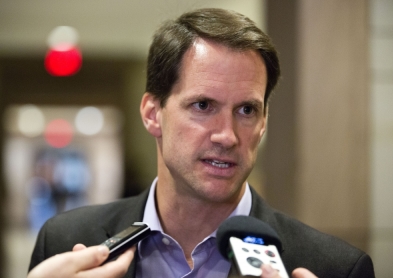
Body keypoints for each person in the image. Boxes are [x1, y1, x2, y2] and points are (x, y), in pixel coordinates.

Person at [28, 8, 375, 278]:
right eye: (203, 106)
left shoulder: (335, 268)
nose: (227, 135)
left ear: (264, 121)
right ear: (152, 113)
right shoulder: (67, 243)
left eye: (246, 110)